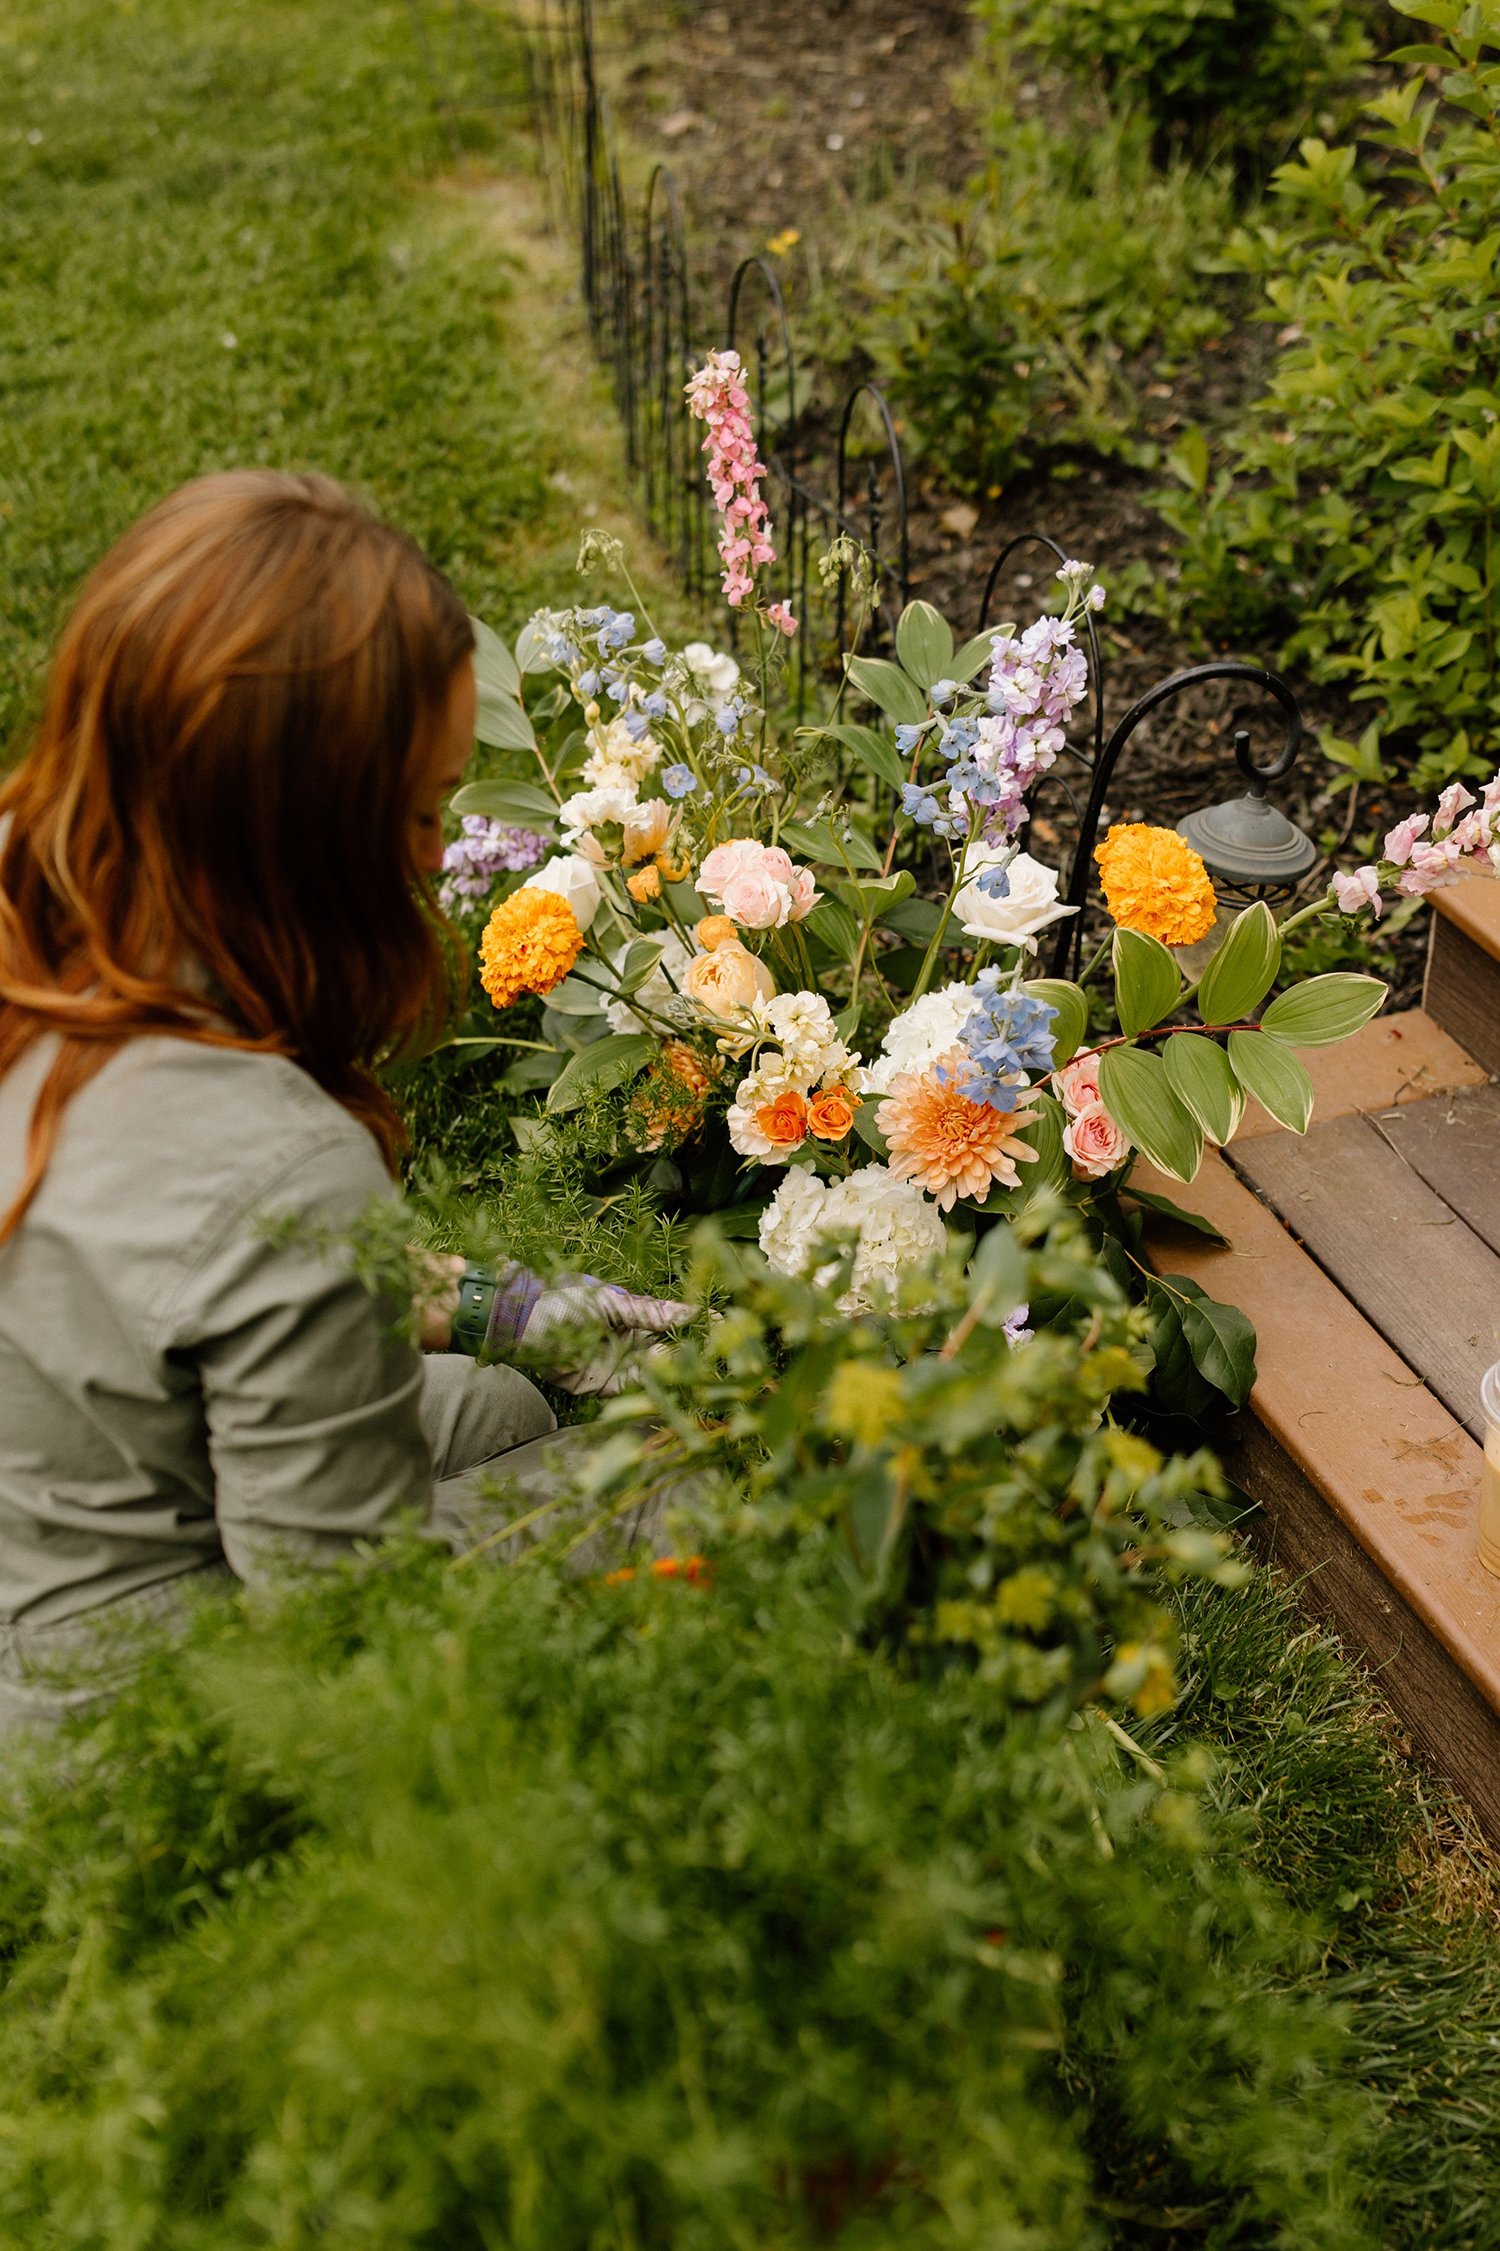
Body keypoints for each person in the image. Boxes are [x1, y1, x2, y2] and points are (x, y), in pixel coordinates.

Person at [0, 470, 681, 1738]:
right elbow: (342, 1631)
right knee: (680, 1492)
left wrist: (509, 1312)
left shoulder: (33, 897)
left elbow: (162, 1266)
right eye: (416, 810)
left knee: (502, 1406)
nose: (435, 856)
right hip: (109, 1718)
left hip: (46, 1482)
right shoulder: (274, 1160)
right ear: (292, 837)